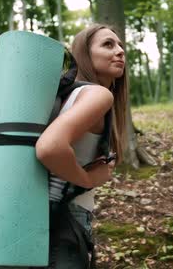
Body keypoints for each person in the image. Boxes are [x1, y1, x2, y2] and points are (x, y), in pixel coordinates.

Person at [35, 24, 128, 268]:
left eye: (120, 46)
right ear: (85, 54)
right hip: (64, 218)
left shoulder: (71, 95)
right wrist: (87, 179)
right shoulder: (98, 95)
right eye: (108, 44)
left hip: (39, 216)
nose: (120, 51)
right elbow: (49, 147)